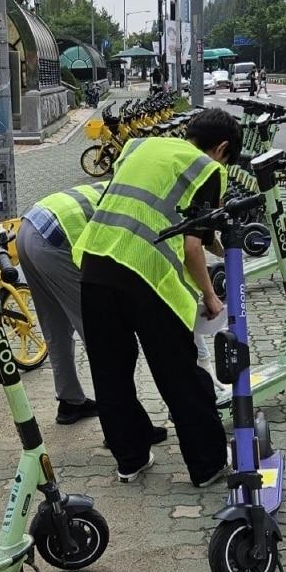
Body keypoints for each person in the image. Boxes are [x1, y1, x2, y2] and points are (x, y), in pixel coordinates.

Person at [74, 109, 241, 486]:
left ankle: (130, 460)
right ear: (223, 149)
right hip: (147, 277)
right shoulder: (207, 169)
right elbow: (191, 248)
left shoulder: (138, 146)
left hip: (97, 265)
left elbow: (160, 213)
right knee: (180, 374)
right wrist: (211, 297)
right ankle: (208, 464)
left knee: (110, 373)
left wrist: (218, 244)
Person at [16, 183, 106, 425]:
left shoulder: (117, 186)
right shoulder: (141, 209)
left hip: (28, 228)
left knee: (55, 325)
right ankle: (119, 422)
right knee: (99, 333)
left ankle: (70, 402)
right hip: (54, 240)